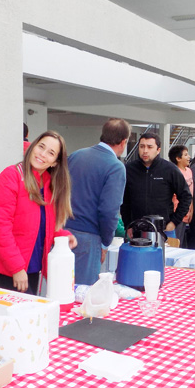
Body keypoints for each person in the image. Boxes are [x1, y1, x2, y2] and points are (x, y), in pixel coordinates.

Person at [0, 131, 76, 295]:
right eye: (41, 147)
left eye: (50, 153)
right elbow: (0, 229)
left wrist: (61, 235)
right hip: (10, 265)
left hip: (32, 264)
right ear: (33, 146)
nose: (42, 154)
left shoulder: (47, 182)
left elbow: (41, 223)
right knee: (20, 316)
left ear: (55, 162)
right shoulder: (10, 177)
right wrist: (16, 268)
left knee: (31, 314)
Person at [66, 119, 130, 285]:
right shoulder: (115, 167)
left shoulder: (76, 155)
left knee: (60, 290)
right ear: (123, 142)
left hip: (62, 232)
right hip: (88, 237)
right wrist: (105, 243)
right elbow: (109, 211)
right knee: (82, 296)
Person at [121, 132, 192, 235]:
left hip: (164, 230)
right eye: (142, 146)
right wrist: (128, 224)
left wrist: (174, 222)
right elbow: (124, 201)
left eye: (150, 147)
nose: (145, 151)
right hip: (137, 229)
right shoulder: (129, 169)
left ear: (158, 150)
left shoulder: (170, 169)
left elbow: (186, 196)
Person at [168, 144, 194, 243]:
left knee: (182, 239)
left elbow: (190, 192)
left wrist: (191, 209)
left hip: (187, 211)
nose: (189, 157)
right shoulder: (174, 172)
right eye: (186, 155)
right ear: (178, 158)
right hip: (176, 212)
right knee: (175, 241)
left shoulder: (189, 171)